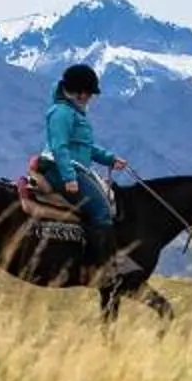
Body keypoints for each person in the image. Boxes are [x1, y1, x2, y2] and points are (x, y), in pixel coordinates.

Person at [37, 63, 129, 270]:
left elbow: (84, 147)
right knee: (100, 210)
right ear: (79, 93)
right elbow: (59, 147)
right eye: (89, 93)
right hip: (59, 169)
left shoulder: (73, 112)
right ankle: (106, 268)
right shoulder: (62, 113)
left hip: (74, 168)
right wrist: (69, 178)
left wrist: (110, 159)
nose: (90, 98)